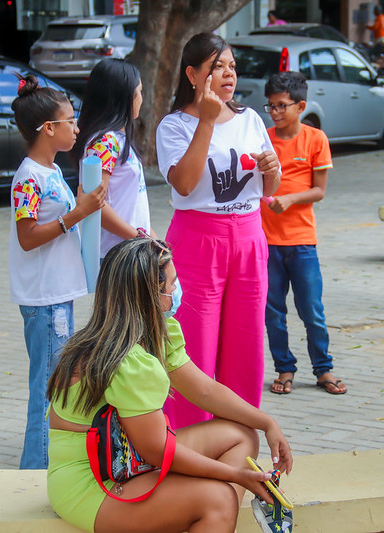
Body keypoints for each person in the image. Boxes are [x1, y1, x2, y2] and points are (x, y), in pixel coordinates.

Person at [46, 238, 294, 533]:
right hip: (91, 485)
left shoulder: (147, 333)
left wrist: (268, 423)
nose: (176, 290)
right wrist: (236, 476)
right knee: (218, 499)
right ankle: (209, 514)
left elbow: (204, 390)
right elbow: (156, 451)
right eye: (172, 283)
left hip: (125, 460)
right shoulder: (127, 361)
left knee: (241, 434)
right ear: (150, 293)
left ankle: (201, 516)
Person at [155, 33, 281, 429]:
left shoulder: (250, 119)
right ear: (193, 75)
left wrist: (273, 172)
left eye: (231, 66)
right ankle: (190, 442)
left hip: (248, 237)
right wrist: (207, 120)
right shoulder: (173, 126)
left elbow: (268, 190)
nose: (228, 74)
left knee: (245, 345)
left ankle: (239, 440)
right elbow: (186, 184)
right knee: (195, 346)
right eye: (217, 67)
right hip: (197, 242)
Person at [9, 75, 106, 469]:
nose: (77, 127)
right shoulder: (28, 177)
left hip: (56, 295)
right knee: (48, 389)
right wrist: (77, 214)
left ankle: (43, 463)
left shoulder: (48, 173)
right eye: (71, 120)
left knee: (55, 384)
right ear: (49, 129)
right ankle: (35, 468)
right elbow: (27, 236)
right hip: (45, 300)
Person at [261, 72, 346, 396]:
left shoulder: (315, 139)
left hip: (302, 242)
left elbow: (319, 191)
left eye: (282, 106)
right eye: (271, 106)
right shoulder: (263, 138)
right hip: (267, 242)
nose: (275, 112)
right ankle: (284, 368)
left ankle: (323, 369)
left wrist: (290, 199)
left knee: (311, 310)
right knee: (273, 313)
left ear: (301, 106)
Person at [72, 58, 153, 258]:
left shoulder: (118, 139)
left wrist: (152, 239)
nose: (141, 99)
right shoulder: (105, 142)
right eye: (139, 91)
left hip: (132, 249)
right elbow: (95, 204)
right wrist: (139, 238)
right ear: (124, 96)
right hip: (117, 256)